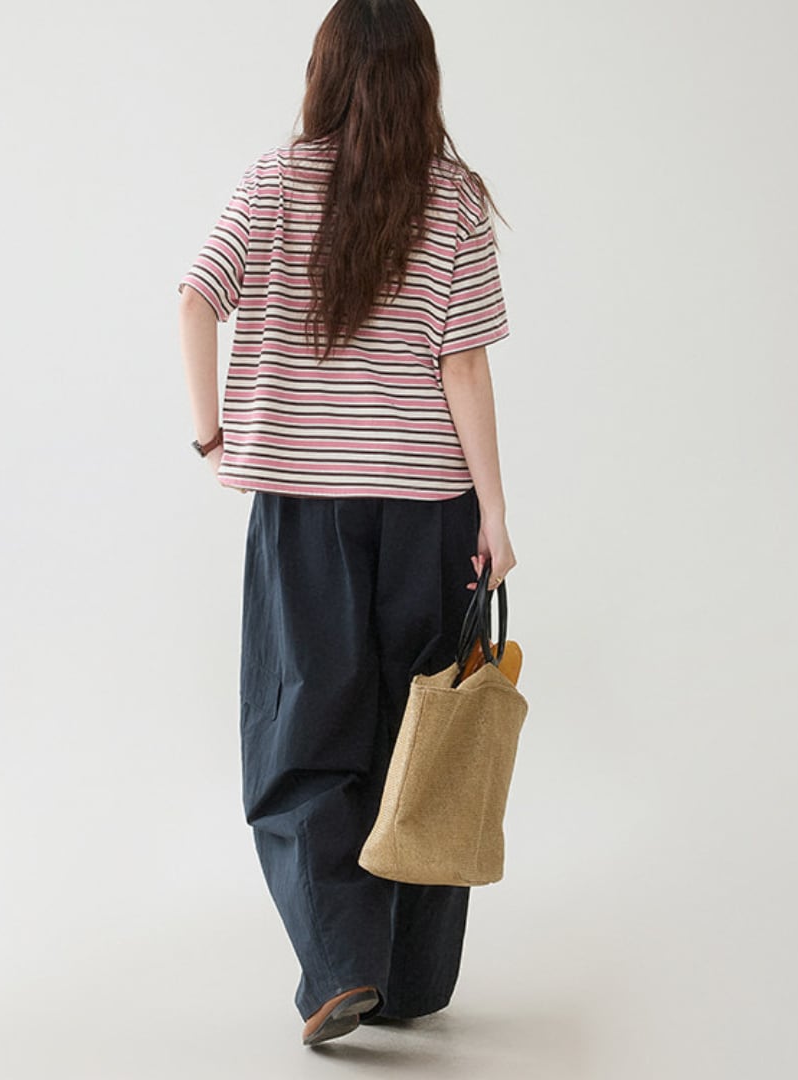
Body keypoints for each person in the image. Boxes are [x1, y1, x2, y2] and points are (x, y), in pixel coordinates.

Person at [177, 0, 518, 1049]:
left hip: (305, 508)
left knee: (304, 729)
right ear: (422, 77)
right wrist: (495, 511)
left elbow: (195, 298)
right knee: (422, 736)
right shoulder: (453, 196)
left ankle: (340, 967)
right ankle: (408, 979)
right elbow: (463, 366)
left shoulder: (275, 181)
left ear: (324, 70)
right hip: (431, 509)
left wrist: (213, 438)